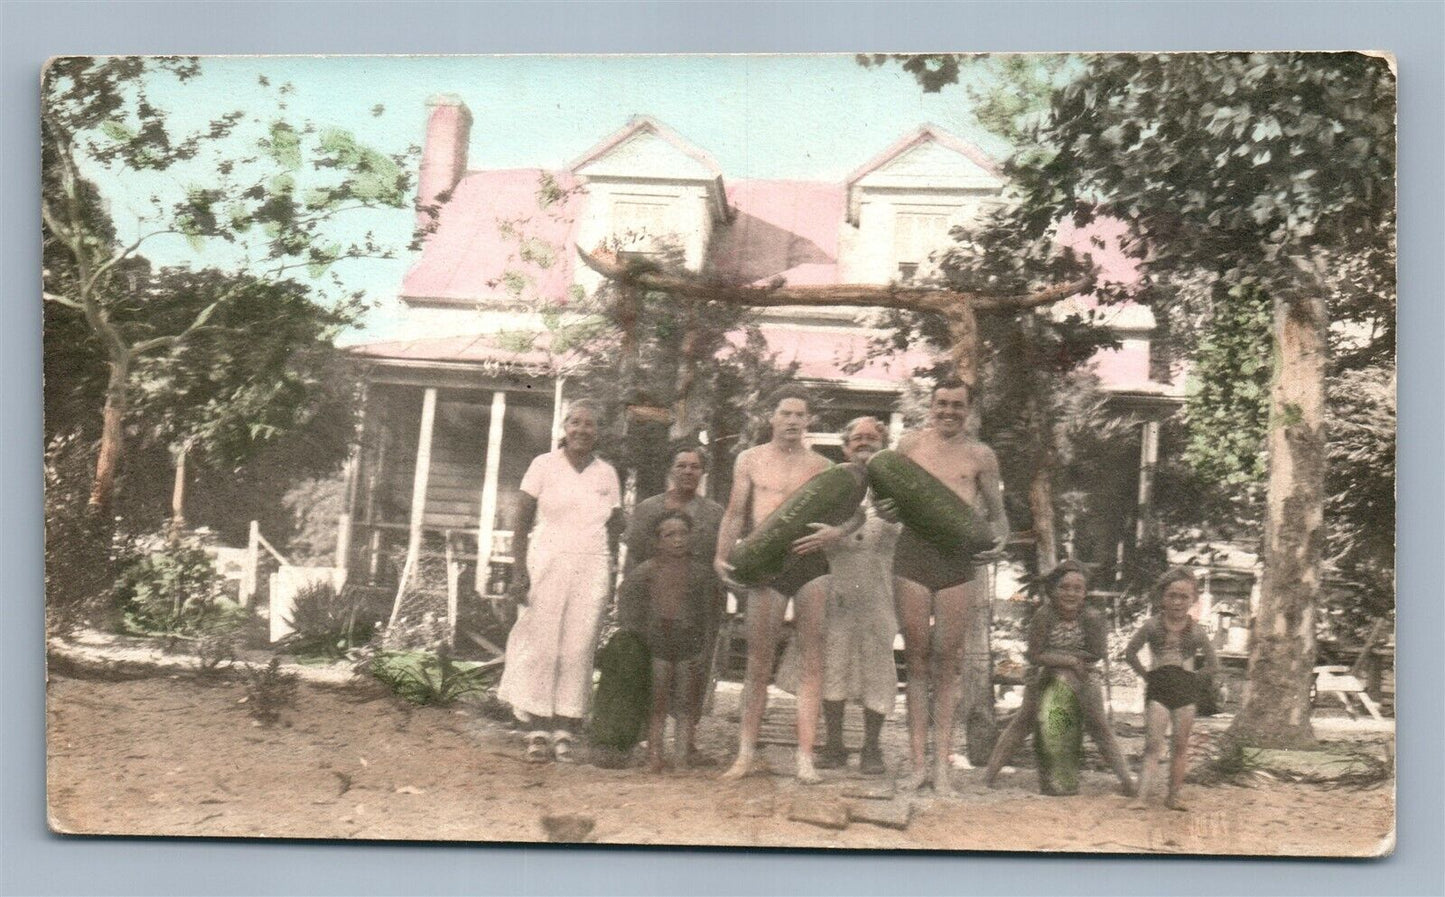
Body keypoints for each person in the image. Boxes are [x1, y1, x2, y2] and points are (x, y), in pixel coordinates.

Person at [715, 387, 853, 784]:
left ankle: (805, 758)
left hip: (811, 562)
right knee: (758, 664)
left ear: (809, 421)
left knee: (813, 663)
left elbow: (852, 516)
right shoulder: (750, 459)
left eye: (800, 414)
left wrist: (835, 533)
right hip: (766, 561)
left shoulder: (825, 466)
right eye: (785, 413)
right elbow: (735, 513)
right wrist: (720, 557)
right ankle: (744, 754)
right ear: (771, 417)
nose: (793, 421)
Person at [892, 379, 1009, 795]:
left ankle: (942, 766)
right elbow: (887, 502)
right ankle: (918, 764)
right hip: (913, 554)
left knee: (948, 662)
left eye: (957, 406)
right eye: (941, 404)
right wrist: (888, 508)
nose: (948, 412)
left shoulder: (981, 455)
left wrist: (998, 545)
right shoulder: (908, 445)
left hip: (956, 560)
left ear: (969, 409)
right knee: (917, 660)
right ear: (931, 405)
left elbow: (998, 517)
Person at [497, 400, 624, 763]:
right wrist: (519, 570)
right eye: (576, 423)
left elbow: (614, 528)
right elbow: (521, 521)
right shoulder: (544, 465)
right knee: (543, 644)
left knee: (579, 647)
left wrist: (613, 570)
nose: (582, 430)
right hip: (547, 560)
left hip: (592, 564)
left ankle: (566, 727)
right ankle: (537, 727)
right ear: (564, 426)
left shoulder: (606, 474)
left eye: (591, 424)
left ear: (599, 432)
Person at [777, 416, 903, 776]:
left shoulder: (895, 488)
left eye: (873, 439)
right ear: (846, 447)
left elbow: (904, 531)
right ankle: (834, 744)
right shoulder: (831, 486)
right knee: (832, 661)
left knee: (878, 666)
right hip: (834, 586)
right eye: (857, 439)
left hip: (878, 588)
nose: (865, 444)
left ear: (883, 445)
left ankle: (872, 747)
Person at [983, 560, 1135, 794]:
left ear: (1085, 593)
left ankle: (1126, 781)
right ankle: (989, 776)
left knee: (1099, 725)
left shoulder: (1092, 617)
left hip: (1084, 675)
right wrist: (1068, 661)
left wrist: (1072, 663)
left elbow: (1096, 653)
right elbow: (1034, 655)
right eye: (1064, 587)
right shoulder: (1044, 616)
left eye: (1077, 588)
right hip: (1045, 672)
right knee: (1024, 721)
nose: (1070, 593)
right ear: (1053, 590)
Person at [621, 446, 725, 765]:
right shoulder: (648, 508)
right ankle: (649, 745)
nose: (688, 471)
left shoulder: (714, 512)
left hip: (698, 599)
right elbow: (635, 557)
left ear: (702, 472)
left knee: (693, 678)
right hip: (657, 603)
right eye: (681, 465)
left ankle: (686, 746)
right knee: (654, 681)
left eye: (695, 466)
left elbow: (720, 557)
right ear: (670, 470)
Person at [1124, 567, 1220, 811]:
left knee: (1180, 746)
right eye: (1172, 595)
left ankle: (1174, 796)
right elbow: (1130, 653)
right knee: (1153, 745)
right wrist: (1146, 676)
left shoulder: (1197, 631)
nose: (1177, 602)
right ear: (1161, 597)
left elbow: (1213, 664)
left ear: (1193, 600)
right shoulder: (1152, 626)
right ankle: (1141, 797)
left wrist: (1193, 680)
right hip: (1159, 690)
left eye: (1184, 597)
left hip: (1185, 692)